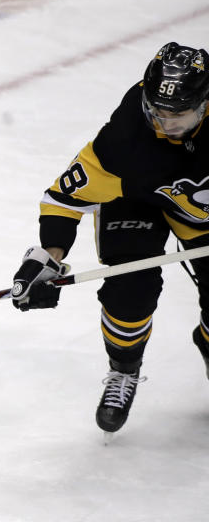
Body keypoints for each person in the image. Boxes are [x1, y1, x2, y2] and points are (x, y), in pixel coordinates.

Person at [11, 42, 209, 434]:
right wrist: (48, 258)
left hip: (200, 217)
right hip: (134, 204)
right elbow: (63, 200)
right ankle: (124, 370)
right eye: (157, 114)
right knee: (128, 295)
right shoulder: (124, 139)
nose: (165, 126)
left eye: (178, 117)